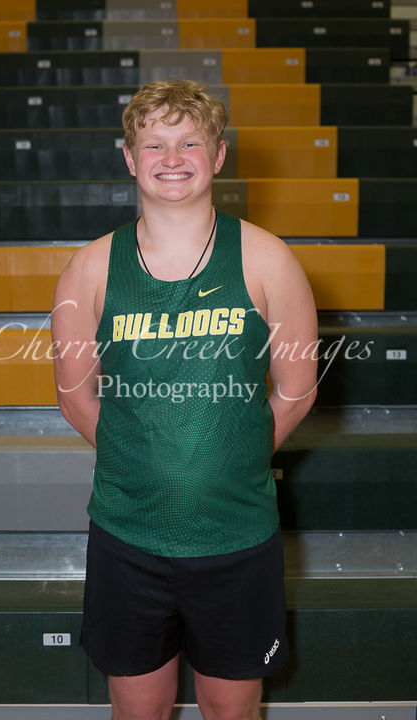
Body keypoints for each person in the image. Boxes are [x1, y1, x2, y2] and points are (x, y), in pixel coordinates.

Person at [51, 80, 318, 720]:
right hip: (128, 536)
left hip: (237, 535)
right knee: (138, 710)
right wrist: (145, 464)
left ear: (218, 155)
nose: (172, 158)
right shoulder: (90, 267)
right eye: (154, 144)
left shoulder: (268, 259)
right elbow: (75, 399)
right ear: (129, 157)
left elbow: (297, 391)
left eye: (190, 142)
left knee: (232, 710)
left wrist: (227, 461)